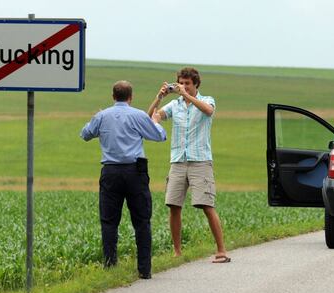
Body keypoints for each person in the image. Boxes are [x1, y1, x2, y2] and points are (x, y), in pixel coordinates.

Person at [81, 80, 166, 279]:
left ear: (113, 97)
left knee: (109, 221)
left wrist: (97, 118)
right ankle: (144, 269)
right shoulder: (137, 115)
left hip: (110, 172)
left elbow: (85, 134)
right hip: (135, 172)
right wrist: (156, 123)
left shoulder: (102, 116)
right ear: (131, 97)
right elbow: (158, 136)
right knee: (142, 221)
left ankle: (110, 266)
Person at [147, 67, 230, 263]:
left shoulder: (207, 100)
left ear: (195, 85)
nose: (183, 87)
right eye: (180, 83)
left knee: (206, 205)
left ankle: (221, 250)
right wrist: (158, 98)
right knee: (174, 205)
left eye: (187, 84)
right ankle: (177, 251)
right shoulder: (174, 105)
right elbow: (150, 118)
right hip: (178, 160)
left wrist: (186, 96)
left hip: (200, 160)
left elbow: (208, 111)